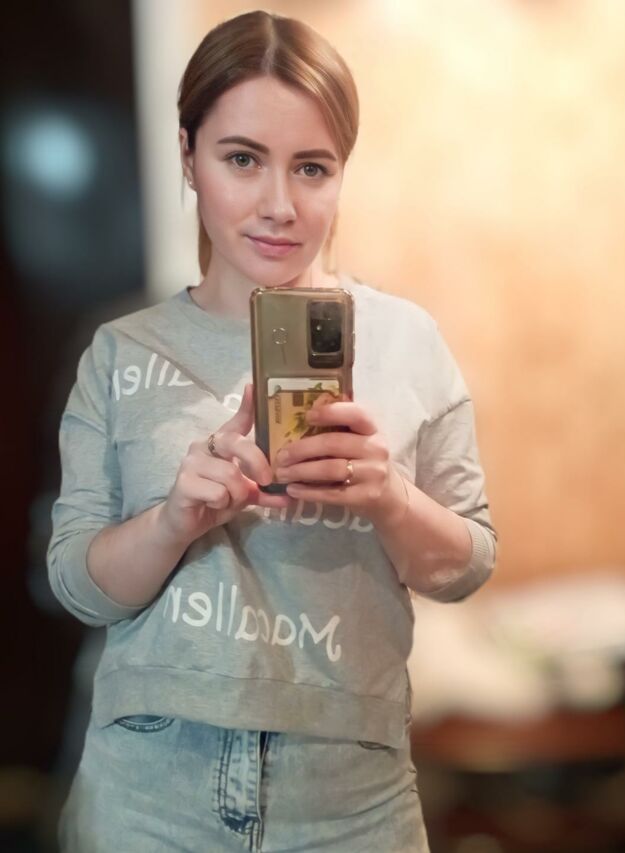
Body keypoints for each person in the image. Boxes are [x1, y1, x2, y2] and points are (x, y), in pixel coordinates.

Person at [47, 9, 497, 852]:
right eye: (243, 159)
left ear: (341, 173)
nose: (280, 205)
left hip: (350, 798)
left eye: (312, 167)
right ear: (189, 156)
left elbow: (466, 564)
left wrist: (390, 498)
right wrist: (174, 519)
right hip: (147, 791)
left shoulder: (406, 341)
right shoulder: (122, 353)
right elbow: (78, 583)